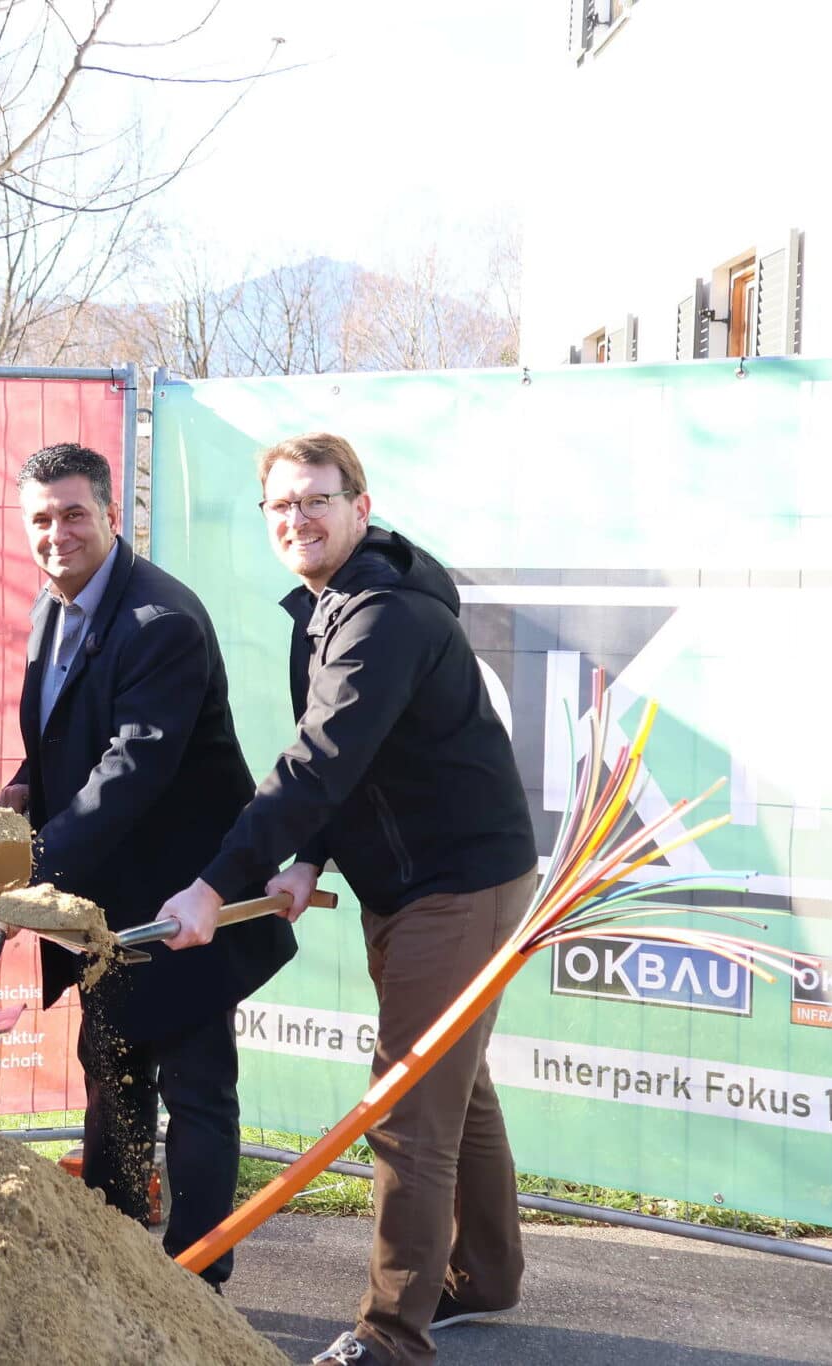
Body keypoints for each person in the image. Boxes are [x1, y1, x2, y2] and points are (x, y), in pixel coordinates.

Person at [158, 432, 537, 1366]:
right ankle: (486, 1278)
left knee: (407, 1105)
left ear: (359, 508)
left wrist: (213, 886)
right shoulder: (327, 606)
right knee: (454, 1087)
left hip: (459, 885)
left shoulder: (381, 616)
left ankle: (392, 1333)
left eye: (316, 500)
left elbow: (316, 763)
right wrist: (310, 859)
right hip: (415, 881)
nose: (297, 518)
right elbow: (354, 760)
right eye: (281, 504)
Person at [0, 442, 295, 1284]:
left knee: (197, 1088)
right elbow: (65, 738)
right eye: (41, 519)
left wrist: (33, 868)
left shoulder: (160, 621)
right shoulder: (53, 604)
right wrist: (19, 792)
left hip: (185, 896)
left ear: (110, 513)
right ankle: (120, 1269)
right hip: (106, 904)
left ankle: (196, 1280)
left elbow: (132, 770)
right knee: (112, 1075)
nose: (57, 533)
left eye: (74, 514)